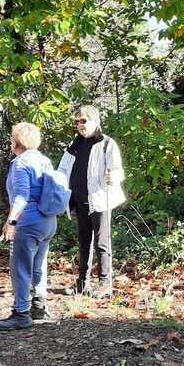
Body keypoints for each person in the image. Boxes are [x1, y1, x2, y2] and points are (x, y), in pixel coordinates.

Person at [58, 106, 125, 296]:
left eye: (83, 121)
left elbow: (118, 170)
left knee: (102, 243)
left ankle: (105, 284)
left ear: (95, 121)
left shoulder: (107, 143)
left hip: (100, 200)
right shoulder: (74, 144)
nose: (80, 125)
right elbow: (62, 169)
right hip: (79, 201)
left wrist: (114, 176)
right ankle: (82, 283)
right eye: (77, 122)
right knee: (84, 243)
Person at [0, 123, 57, 330]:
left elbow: (21, 196)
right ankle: (39, 306)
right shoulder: (44, 160)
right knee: (38, 264)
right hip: (48, 221)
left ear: (16, 142)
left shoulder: (20, 163)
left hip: (29, 222)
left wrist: (11, 222)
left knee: (21, 268)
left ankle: (21, 313)